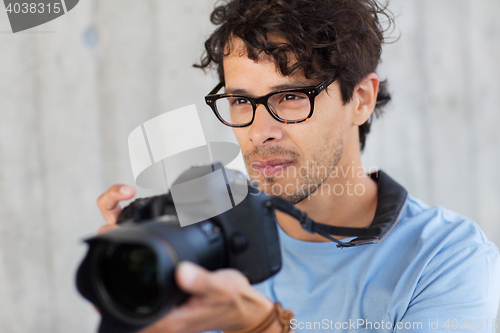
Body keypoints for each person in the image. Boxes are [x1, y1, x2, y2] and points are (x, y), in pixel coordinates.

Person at [96, 0, 500, 332]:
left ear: (360, 99)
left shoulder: (447, 257)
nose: (259, 132)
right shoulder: (204, 214)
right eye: (241, 101)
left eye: (289, 97)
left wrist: (260, 326)